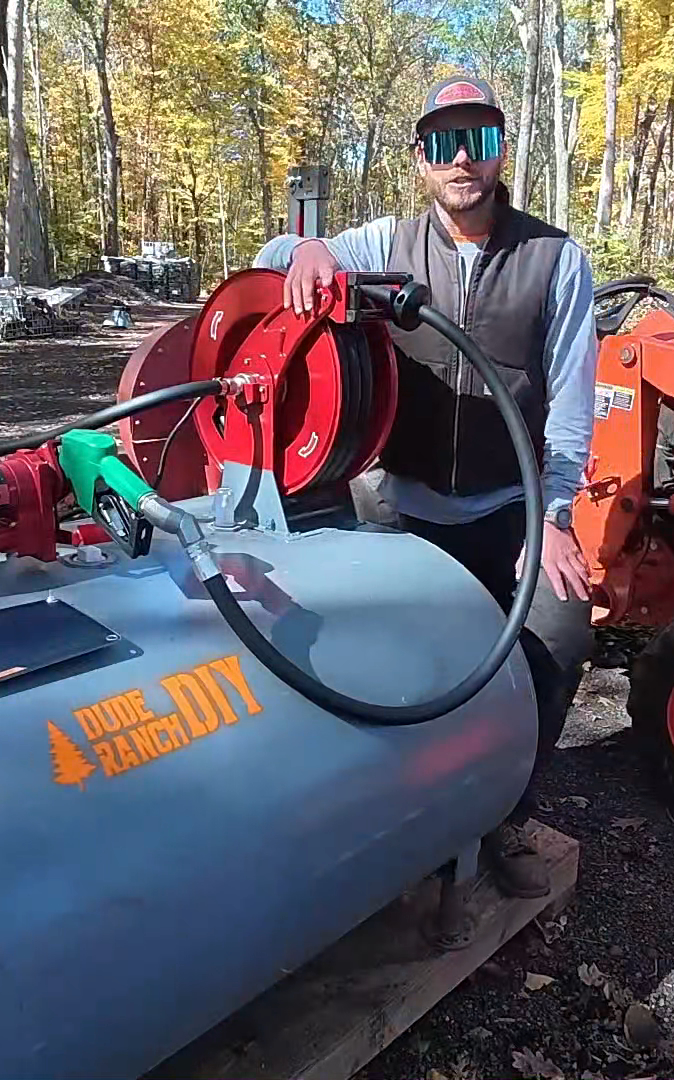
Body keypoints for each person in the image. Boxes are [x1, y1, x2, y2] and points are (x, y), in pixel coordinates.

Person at [252, 75, 597, 899]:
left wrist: (553, 516)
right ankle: (412, 818)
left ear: (501, 148)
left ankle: (508, 814)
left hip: (511, 508)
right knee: (393, 659)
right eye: (442, 143)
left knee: (560, 635)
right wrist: (305, 250)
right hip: (400, 507)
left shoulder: (556, 259)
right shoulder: (386, 244)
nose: (461, 159)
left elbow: (574, 409)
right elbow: (272, 261)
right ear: (420, 160)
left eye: (478, 137)